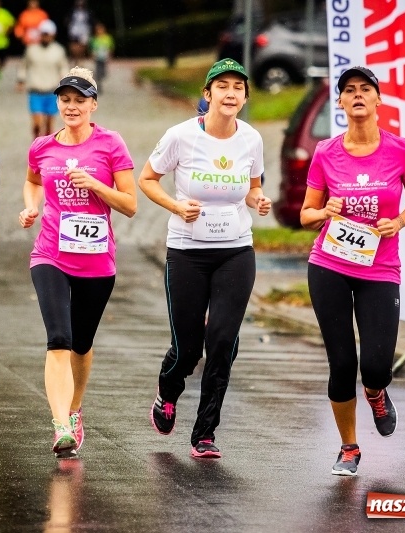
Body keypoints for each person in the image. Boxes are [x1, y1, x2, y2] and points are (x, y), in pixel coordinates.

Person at [138, 58, 272, 459]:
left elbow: (252, 187)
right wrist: (177, 208)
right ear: (207, 93)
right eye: (223, 86)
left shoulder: (251, 139)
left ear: (245, 97)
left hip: (235, 250)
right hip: (188, 252)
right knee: (188, 348)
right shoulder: (180, 136)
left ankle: (205, 433)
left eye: (238, 87)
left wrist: (259, 199)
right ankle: (167, 391)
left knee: (223, 341)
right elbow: (147, 179)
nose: (230, 93)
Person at [299, 66, 405, 476]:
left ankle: (376, 391)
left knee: (375, 363)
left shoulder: (400, 150)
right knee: (341, 361)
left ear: (377, 100)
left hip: (380, 268)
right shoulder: (325, 152)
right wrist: (324, 211)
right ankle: (349, 447)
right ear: (340, 102)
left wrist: (400, 222)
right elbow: (305, 215)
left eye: (364, 89)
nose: (356, 95)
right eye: (349, 90)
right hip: (330, 265)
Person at [18, 67, 136, 458]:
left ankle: (74, 407)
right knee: (59, 340)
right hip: (50, 252)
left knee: (81, 344)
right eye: (65, 100)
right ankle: (60, 425)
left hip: (96, 262)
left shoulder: (111, 144)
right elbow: (33, 181)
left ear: (93, 105)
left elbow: (131, 205)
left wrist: (97, 185)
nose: (71, 107)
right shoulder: (42, 146)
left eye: (80, 100)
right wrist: (31, 207)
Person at [16, 19, 69, 138]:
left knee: (49, 125)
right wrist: (21, 80)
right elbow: (24, 66)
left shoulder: (58, 51)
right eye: (43, 34)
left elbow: (63, 68)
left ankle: (47, 150)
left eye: (48, 34)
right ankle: (36, 146)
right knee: (37, 124)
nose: (45, 37)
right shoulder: (31, 49)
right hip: (36, 91)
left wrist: (67, 84)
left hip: (52, 91)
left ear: (53, 35)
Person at [89, 21, 113, 86]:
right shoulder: (95, 39)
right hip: (97, 57)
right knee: (98, 69)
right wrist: (92, 55)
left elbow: (110, 47)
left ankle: (101, 76)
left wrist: (110, 55)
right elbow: (92, 49)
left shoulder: (107, 38)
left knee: (103, 70)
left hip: (104, 57)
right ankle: (98, 82)